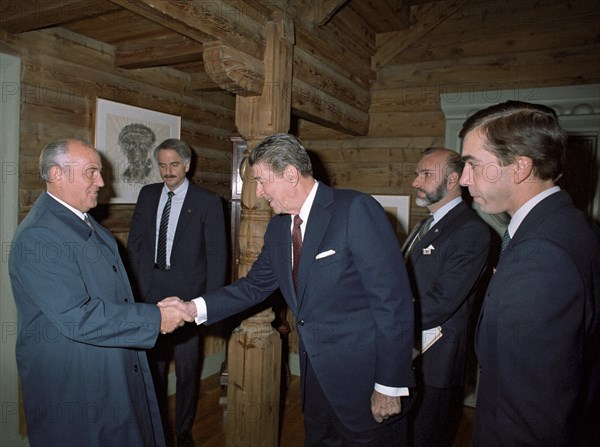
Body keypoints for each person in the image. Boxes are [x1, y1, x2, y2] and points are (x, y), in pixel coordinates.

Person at [159, 133, 415, 446]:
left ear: (291, 173)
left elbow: (393, 302)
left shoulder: (355, 210)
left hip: (364, 382)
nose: (260, 192)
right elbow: (253, 287)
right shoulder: (280, 228)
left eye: (262, 181)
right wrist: (192, 308)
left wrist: (389, 385)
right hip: (316, 383)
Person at [8, 138, 192, 447]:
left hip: (108, 371)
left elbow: (111, 298)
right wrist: (154, 318)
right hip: (77, 387)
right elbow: (77, 316)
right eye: (91, 172)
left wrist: (155, 307)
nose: (102, 182)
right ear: (56, 175)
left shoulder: (84, 221)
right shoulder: (39, 237)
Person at [459, 100, 600, 446]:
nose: (463, 179)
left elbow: (530, 407)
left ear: (520, 167)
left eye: (473, 165)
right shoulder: (571, 226)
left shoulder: (541, 255)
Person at [127, 138, 228, 447]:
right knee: (152, 368)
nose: (167, 171)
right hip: (151, 293)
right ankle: (157, 430)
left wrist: (211, 305)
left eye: (173, 164)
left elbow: (217, 255)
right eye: (162, 165)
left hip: (188, 298)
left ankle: (182, 433)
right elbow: (136, 244)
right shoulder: (147, 195)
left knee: (186, 372)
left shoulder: (208, 202)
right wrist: (134, 290)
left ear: (187, 165)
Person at [404, 147, 491, 447]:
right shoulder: (423, 225)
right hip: (409, 353)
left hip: (436, 365)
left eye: (426, 174)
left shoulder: (471, 231)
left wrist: (387, 318)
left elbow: (441, 303)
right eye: (418, 173)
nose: (416, 181)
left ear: (453, 179)